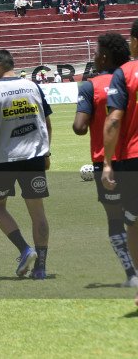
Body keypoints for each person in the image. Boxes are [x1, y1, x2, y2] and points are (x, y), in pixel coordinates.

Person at [0, 49, 52, 279]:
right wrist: (47, 151)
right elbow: (46, 121)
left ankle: (24, 249)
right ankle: (40, 267)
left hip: (3, 160)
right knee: (37, 212)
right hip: (35, 158)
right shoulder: (33, 86)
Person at [73, 32, 138, 288]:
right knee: (134, 217)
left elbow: (79, 127)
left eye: (96, 52)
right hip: (132, 156)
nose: (93, 56)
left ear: (103, 56)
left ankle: (132, 274)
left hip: (107, 161)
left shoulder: (91, 86)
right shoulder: (129, 75)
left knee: (117, 220)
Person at [102, 20, 138, 304]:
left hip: (132, 158)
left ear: (135, 42)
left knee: (134, 222)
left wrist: (107, 163)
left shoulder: (124, 73)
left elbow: (113, 118)